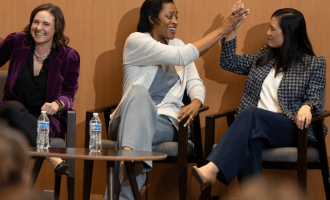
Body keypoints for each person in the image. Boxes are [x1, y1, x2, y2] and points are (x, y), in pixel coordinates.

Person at [107, 0, 249, 199]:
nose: (175, 21)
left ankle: (128, 157)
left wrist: (196, 102)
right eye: (169, 16)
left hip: (164, 122)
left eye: (176, 17)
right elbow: (181, 57)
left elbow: (195, 83)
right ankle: (130, 157)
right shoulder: (136, 41)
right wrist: (222, 30)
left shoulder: (178, 44)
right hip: (127, 118)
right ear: (151, 18)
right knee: (139, 94)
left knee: (136, 138)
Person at [191, 6, 327, 190]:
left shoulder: (314, 63)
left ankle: (212, 169)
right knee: (251, 138)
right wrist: (232, 28)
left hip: (292, 127)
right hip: (257, 128)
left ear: (289, 33)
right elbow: (229, 62)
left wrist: (308, 106)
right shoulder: (265, 56)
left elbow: (316, 97)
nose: (268, 33)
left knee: (250, 114)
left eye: (272, 29)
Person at [0, 3, 80, 175]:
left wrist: (57, 104)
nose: (38, 28)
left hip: (43, 119)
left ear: (56, 28)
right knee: (13, 107)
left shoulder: (68, 56)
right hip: (10, 115)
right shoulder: (17, 42)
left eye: (45, 24)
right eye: (36, 22)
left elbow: (68, 94)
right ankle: (52, 157)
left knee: (34, 124)